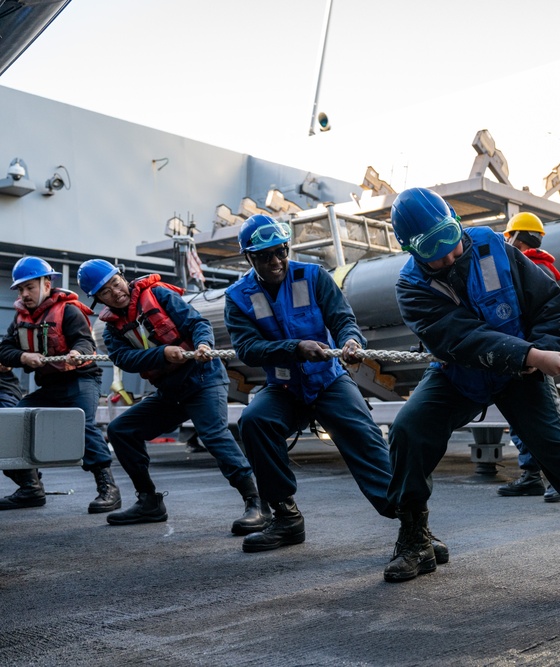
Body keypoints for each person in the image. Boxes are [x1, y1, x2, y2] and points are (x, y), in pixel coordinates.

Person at [383, 187, 560, 594]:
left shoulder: (493, 247)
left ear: (456, 223)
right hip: (462, 373)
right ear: (410, 249)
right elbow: (461, 339)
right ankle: (415, 537)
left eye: (451, 238)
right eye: (433, 250)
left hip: (521, 375)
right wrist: (531, 354)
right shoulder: (411, 288)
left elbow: (550, 305)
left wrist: (544, 350)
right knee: (408, 430)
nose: (450, 255)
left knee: (556, 450)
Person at [223, 214, 446, 558]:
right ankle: (285, 517)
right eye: (265, 256)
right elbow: (248, 349)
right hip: (284, 388)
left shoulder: (313, 276)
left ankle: (415, 527)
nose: (276, 261)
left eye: (281, 251)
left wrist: (351, 341)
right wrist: (294, 349)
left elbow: (342, 318)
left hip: (328, 380)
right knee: (255, 421)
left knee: (368, 444)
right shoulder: (238, 297)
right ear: (249, 258)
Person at [77, 259, 268, 533]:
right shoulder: (112, 329)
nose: (115, 292)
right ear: (98, 299)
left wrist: (203, 344)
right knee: (121, 430)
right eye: (105, 292)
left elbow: (198, 323)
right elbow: (124, 358)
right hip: (171, 391)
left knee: (213, 434)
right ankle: (148, 502)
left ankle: (257, 502)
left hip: (203, 379)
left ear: (122, 276)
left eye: (115, 283)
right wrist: (162, 353)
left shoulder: (159, 295)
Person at [0, 256, 119, 512]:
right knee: (10, 425)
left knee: (82, 424)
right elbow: (4, 350)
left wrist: (77, 354)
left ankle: (109, 489)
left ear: (46, 284)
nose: (25, 293)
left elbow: (84, 342)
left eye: (30, 287)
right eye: (21, 289)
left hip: (81, 379)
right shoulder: (21, 317)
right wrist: (23, 356)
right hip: (50, 386)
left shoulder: (68, 310)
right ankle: (30, 489)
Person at [496, 211, 560, 503]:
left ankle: (559, 481)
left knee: (545, 423)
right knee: (522, 421)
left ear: (515, 238)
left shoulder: (528, 269)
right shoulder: (542, 269)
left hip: (529, 358)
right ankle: (531, 476)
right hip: (523, 356)